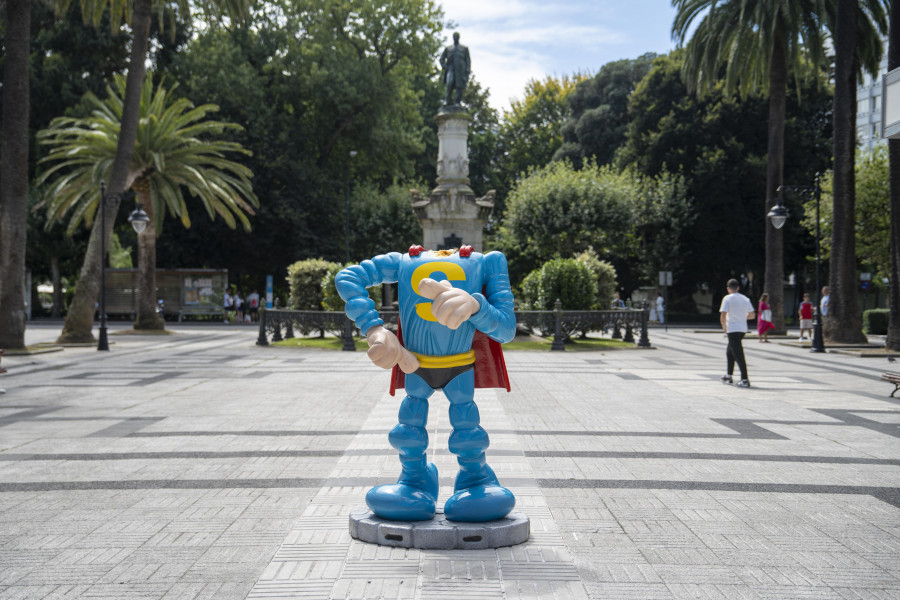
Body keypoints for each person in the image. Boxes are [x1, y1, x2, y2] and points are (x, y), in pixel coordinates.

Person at [336, 244, 516, 523]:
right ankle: (415, 480)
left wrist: (476, 305)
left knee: (467, 430)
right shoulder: (404, 261)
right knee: (409, 430)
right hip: (415, 364)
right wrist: (374, 330)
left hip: (460, 365)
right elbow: (348, 277)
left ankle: (476, 479)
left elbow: (506, 328)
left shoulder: (489, 261)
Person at [719, 278, 755, 388]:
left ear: (728, 289)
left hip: (732, 329)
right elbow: (752, 315)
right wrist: (742, 317)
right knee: (730, 352)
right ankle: (729, 375)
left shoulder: (727, 298)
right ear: (738, 288)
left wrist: (724, 327)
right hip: (742, 329)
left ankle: (745, 379)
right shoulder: (745, 298)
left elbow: (723, 315)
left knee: (738, 354)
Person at [440, 32, 471, 106]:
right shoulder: (448, 48)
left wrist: (467, 70)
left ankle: (457, 102)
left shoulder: (464, 48)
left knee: (459, 86)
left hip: (461, 70)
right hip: (451, 69)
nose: (456, 38)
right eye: (454, 36)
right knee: (449, 84)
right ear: (453, 37)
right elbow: (442, 58)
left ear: (459, 37)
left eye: (457, 36)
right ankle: (447, 101)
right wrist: (444, 66)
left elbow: (468, 60)